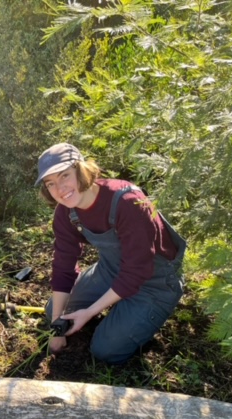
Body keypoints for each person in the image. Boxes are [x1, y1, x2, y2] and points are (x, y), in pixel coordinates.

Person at [36, 143, 186, 365]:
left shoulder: (127, 202)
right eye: (51, 184)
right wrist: (57, 327)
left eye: (65, 176)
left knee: (105, 350)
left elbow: (137, 271)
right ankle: (116, 310)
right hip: (111, 271)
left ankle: (137, 315)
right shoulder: (66, 212)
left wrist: (88, 312)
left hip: (154, 283)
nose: (60, 189)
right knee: (53, 312)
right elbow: (63, 267)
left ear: (81, 170)